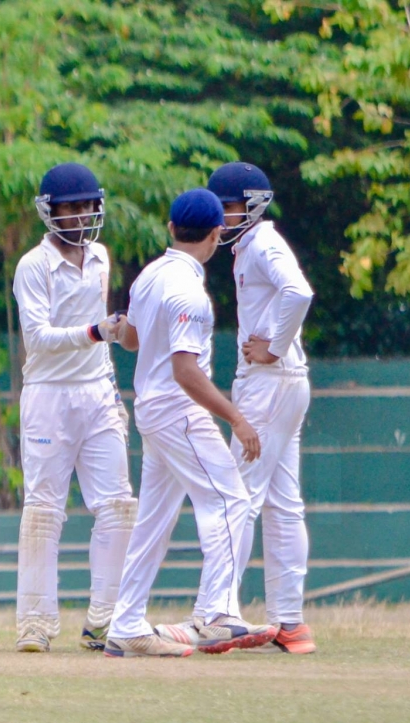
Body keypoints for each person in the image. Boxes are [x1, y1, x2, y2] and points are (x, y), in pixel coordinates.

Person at [105, 188, 275, 657]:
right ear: (217, 234)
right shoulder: (188, 292)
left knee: (153, 523)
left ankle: (125, 625)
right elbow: (185, 371)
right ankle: (216, 615)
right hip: (177, 410)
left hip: (153, 409)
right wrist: (236, 418)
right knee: (230, 500)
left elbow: (132, 340)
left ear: (171, 229)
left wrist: (119, 326)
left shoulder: (150, 274)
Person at [12, 162, 135, 653]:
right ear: (50, 212)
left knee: (120, 506)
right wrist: (94, 333)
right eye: (72, 207)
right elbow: (38, 338)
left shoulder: (100, 256)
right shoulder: (33, 266)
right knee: (44, 509)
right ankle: (34, 624)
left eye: (88, 206)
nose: (82, 215)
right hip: (48, 395)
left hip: (97, 393)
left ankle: (104, 619)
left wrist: (112, 382)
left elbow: (103, 336)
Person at [209, 162, 316, 654]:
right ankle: (289, 622)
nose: (221, 218)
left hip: (269, 383)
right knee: (281, 502)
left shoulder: (263, 243)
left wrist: (273, 346)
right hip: (286, 384)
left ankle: (220, 615)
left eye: (227, 208)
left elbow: (299, 291)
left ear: (250, 206)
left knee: (238, 497)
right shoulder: (249, 245)